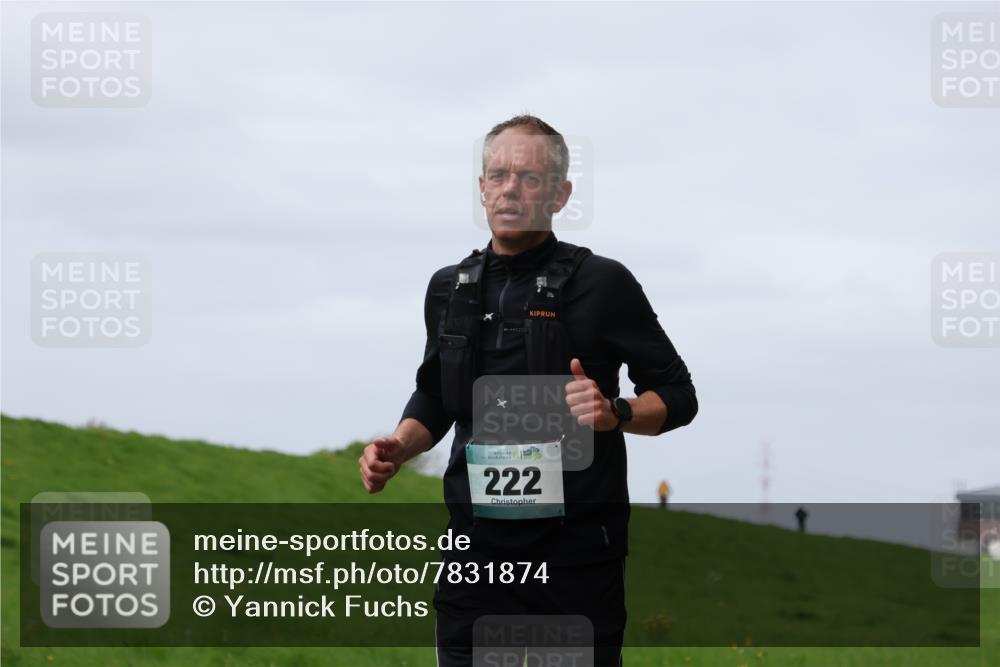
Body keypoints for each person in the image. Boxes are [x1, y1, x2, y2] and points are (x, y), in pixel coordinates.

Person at [358, 114, 698, 667]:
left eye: (530, 177)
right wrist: (399, 445)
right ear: (482, 188)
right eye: (499, 175)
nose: (511, 189)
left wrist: (616, 412)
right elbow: (435, 397)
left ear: (561, 195)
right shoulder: (449, 288)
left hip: (574, 559)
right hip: (474, 555)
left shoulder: (603, 283)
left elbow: (677, 394)